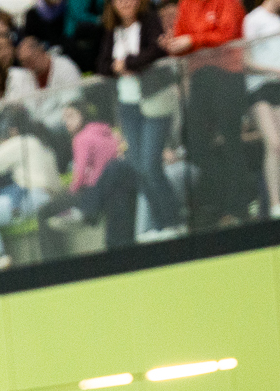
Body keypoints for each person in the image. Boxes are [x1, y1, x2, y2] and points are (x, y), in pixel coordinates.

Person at [103, 0, 186, 238]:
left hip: (154, 99)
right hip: (128, 105)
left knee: (150, 164)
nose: (126, 3)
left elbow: (157, 50)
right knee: (139, 168)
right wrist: (117, 67)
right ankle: (161, 224)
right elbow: (102, 64)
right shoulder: (113, 31)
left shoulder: (150, 22)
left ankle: (173, 221)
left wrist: (128, 63)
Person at [165, 0, 250, 229]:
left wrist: (194, 40)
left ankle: (237, 207)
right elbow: (182, 40)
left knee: (231, 140)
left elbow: (225, 35)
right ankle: (225, 195)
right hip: (200, 77)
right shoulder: (186, 4)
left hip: (227, 74)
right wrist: (174, 46)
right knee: (193, 142)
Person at [0, 115, 61, 271]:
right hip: (51, 198)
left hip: (33, 197)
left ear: (12, 131)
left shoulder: (22, 141)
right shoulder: (42, 143)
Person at [44, 104, 141, 246]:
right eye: (64, 117)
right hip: (114, 187)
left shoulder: (81, 138)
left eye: (71, 115)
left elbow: (81, 172)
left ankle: (83, 213)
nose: (66, 121)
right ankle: (88, 213)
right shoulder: (109, 132)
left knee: (44, 211)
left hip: (93, 189)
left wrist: (72, 189)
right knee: (116, 200)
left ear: (82, 115)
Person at [242, 0, 280, 218]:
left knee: (279, 146)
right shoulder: (253, 20)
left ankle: (274, 202)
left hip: (279, 87)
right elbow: (246, 61)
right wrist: (276, 71)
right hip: (258, 87)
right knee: (273, 142)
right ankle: (274, 203)